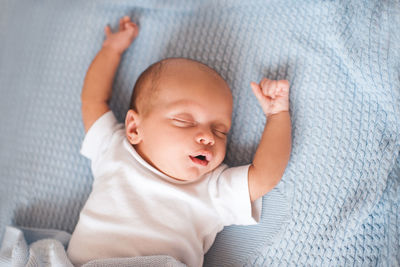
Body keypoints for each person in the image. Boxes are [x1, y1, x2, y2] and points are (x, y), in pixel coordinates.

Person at [67, 16, 292, 267]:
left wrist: (277, 115)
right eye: (185, 121)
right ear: (134, 127)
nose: (207, 136)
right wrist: (111, 50)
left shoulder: (212, 188)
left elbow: (264, 176)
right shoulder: (114, 147)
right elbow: (93, 100)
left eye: (220, 131)